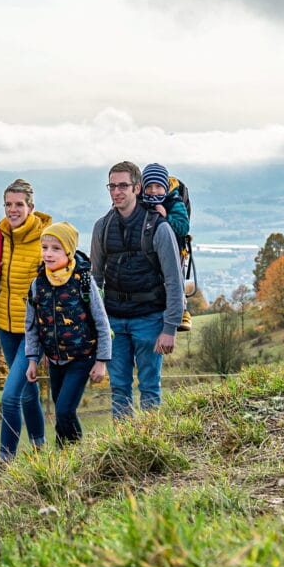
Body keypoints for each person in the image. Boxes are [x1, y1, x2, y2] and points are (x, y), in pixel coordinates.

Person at [90, 161, 184, 419]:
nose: (117, 191)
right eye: (112, 186)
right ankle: (124, 448)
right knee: (119, 389)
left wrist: (170, 328)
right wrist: (94, 324)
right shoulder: (102, 227)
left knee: (150, 388)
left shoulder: (159, 227)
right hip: (114, 322)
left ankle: (151, 445)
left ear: (137, 188)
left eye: (123, 186)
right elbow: (95, 279)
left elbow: (174, 280)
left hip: (150, 319)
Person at [0, 179, 51, 479]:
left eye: (18, 204)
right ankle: (40, 451)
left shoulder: (45, 237)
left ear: (31, 207)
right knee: (27, 393)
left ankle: (4, 461)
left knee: (10, 396)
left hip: (33, 330)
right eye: (8, 204)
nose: (12, 210)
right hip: (5, 324)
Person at [24, 222, 112, 446]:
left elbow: (101, 321)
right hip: (55, 360)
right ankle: (64, 457)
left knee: (64, 410)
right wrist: (32, 359)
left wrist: (101, 361)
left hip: (82, 357)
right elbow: (32, 325)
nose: (48, 254)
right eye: (44, 247)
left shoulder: (82, 281)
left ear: (69, 252)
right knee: (60, 410)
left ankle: (77, 454)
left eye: (55, 248)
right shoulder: (38, 284)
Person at [141, 162, 192, 332]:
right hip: (149, 248)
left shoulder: (174, 201)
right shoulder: (140, 201)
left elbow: (183, 227)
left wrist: (166, 217)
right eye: (149, 186)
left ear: (165, 187)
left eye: (158, 186)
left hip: (175, 248)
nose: (153, 191)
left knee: (175, 277)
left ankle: (181, 311)